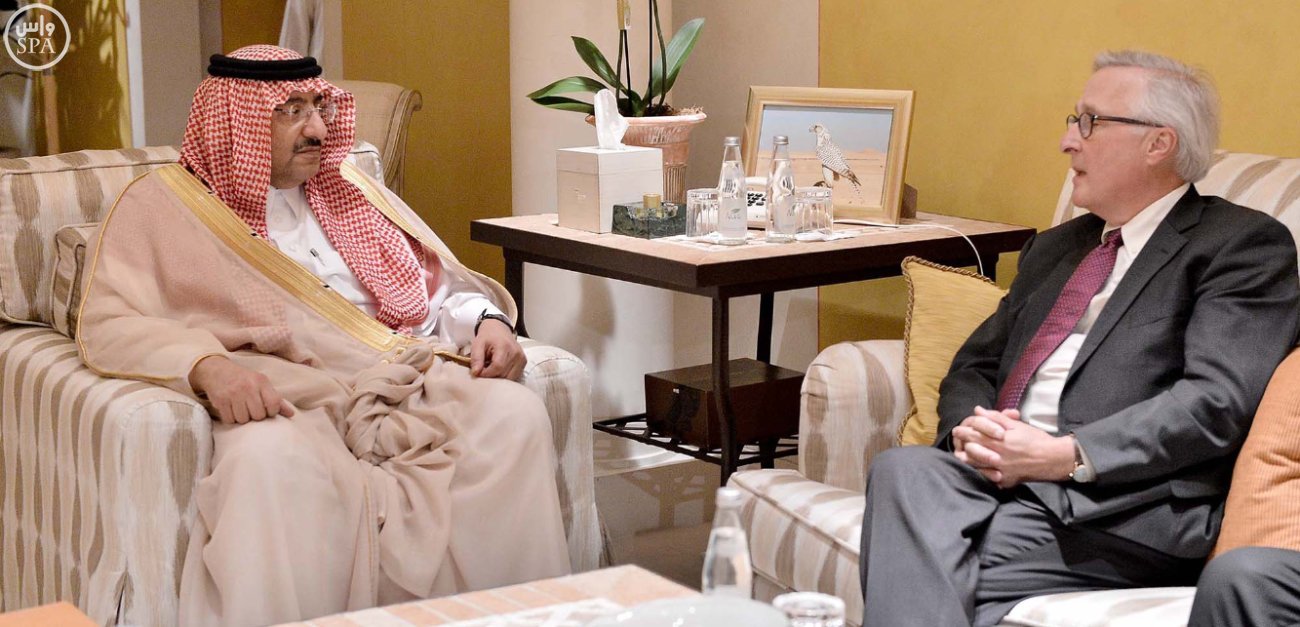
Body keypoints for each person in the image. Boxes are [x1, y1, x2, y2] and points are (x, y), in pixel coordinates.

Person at [76, 45, 570, 626]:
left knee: (513, 416)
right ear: (237, 121)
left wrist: (488, 322)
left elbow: (429, 291)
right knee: (266, 464)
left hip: (401, 380)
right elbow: (110, 320)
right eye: (292, 110)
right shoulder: (164, 208)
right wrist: (207, 367)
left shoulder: (347, 189)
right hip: (288, 398)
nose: (317, 129)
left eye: (318, 106)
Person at [858, 49, 1300, 626]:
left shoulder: (1240, 246)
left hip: (1116, 506)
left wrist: (1064, 456)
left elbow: (1215, 402)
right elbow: (976, 364)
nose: (1068, 141)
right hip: (997, 477)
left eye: (1089, 122)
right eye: (1074, 121)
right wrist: (974, 432)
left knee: (921, 564)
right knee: (903, 470)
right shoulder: (1057, 247)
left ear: (1158, 143)